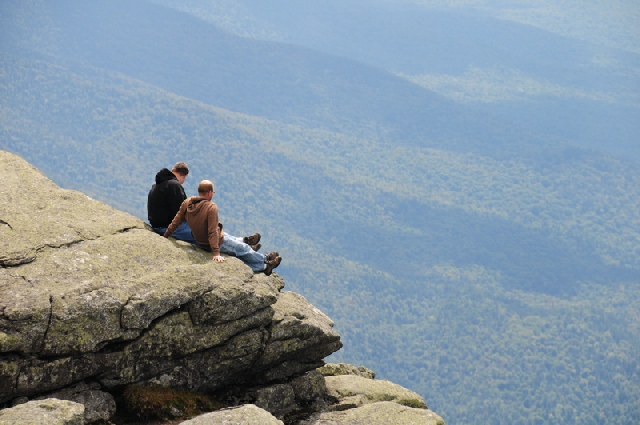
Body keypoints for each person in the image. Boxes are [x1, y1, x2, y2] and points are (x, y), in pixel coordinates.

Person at [164, 180, 282, 275]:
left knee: (234, 241)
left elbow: (177, 220)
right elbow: (212, 231)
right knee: (242, 249)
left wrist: (166, 234)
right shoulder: (211, 207)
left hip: (200, 240)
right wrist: (216, 252)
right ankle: (265, 264)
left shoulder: (187, 203)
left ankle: (257, 252)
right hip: (213, 242)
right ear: (210, 193)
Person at [147, 162, 261, 249]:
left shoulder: (157, 185)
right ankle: (244, 246)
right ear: (184, 176)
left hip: (160, 224)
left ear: (173, 170)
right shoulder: (174, 186)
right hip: (167, 227)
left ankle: (243, 242)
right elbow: (183, 211)